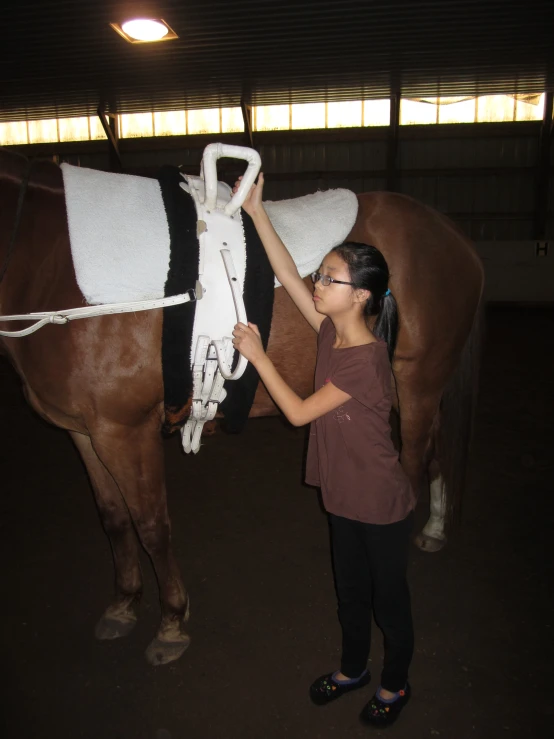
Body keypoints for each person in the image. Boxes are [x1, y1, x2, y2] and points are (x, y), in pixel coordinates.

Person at [231, 173, 416, 728]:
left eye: (329, 278)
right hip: (342, 494)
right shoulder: (331, 333)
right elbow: (287, 273)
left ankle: (396, 683)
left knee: (391, 603)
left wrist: (260, 355)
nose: (317, 283)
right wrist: (258, 211)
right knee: (350, 593)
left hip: (379, 503)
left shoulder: (365, 359)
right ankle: (354, 669)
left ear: (360, 295)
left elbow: (298, 413)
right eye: (322, 274)